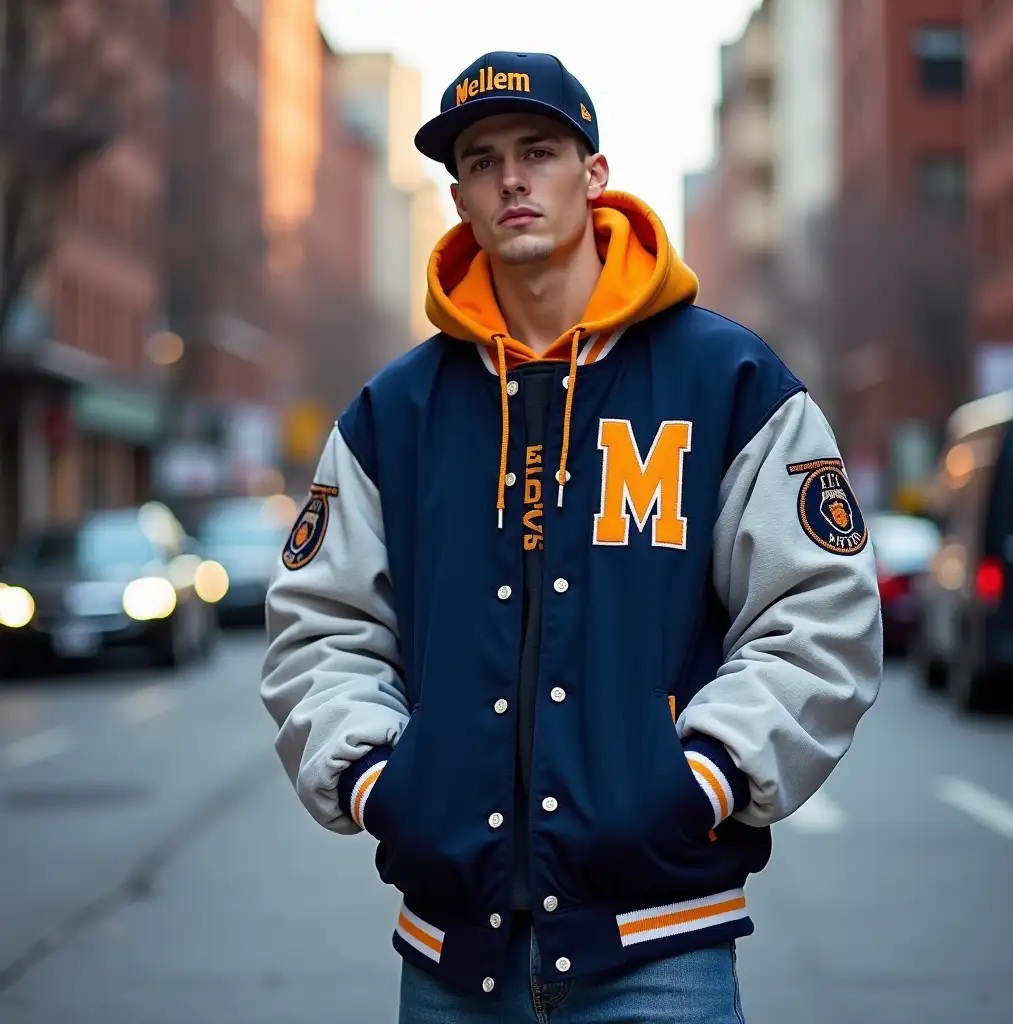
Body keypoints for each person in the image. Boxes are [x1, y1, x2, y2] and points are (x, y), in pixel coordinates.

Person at [260, 51, 882, 1024]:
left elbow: (819, 612)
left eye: (538, 150)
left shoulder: (727, 382)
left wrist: (704, 774)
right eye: (481, 159)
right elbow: (317, 627)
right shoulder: (393, 414)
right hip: (449, 958)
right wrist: (379, 780)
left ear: (594, 175)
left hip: (661, 951)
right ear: (459, 192)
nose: (510, 177)